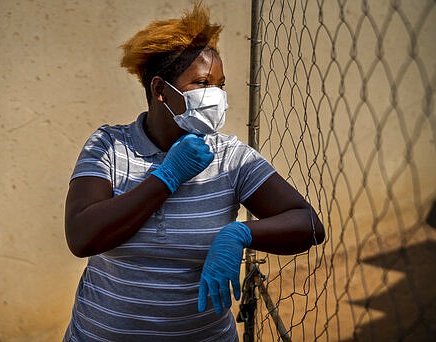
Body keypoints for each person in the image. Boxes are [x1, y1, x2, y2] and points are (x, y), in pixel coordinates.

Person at [63, 3, 324, 341]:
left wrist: (239, 234)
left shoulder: (230, 156)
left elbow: (309, 225)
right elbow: (81, 237)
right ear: (160, 91)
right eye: (201, 83)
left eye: (220, 84)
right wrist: (167, 176)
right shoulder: (109, 146)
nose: (214, 96)